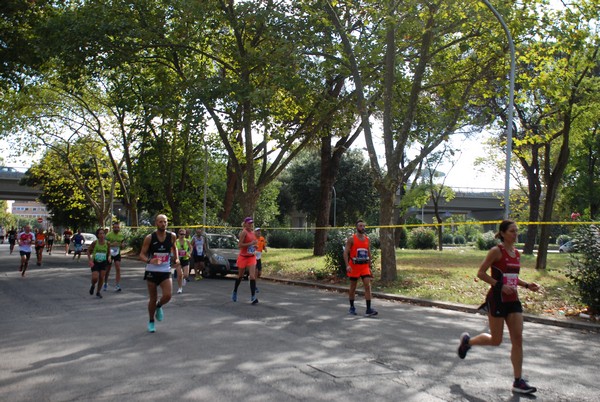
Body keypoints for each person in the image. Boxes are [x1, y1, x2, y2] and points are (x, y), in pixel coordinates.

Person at [457, 219, 540, 394]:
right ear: (502, 233)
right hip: (497, 299)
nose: (515, 234)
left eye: (517, 231)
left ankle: (518, 381)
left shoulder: (516, 253)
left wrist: (526, 285)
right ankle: (467, 342)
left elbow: (512, 277)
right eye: (512, 231)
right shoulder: (496, 251)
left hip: (513, 300)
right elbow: (480, 273)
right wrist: (500, 286)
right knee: (496, 340)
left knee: (517, 338)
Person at [139, 214, 179, 333]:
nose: (163, 224)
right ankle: (151, 321)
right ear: (156, 223)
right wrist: (150, 260)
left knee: (168, 295)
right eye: (161, 222)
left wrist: (176, 258)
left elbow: (174, 247)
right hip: (152, 271)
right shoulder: (149, 238)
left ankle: (159, 305)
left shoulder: (172, 236)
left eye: (165, 222)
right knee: (153, 297)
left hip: (165, 270)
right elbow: (141, 254)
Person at [343, 219, 378, 316]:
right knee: (353, 287)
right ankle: (352, 307)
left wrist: (370, 266)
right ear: (357, 227)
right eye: (360, 226)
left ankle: (368, 309)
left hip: (364, 266)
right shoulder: (351, 239)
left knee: (368, 285)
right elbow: (345, 252)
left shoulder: (367, 239)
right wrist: (347, 265)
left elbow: (369, 252)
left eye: (363, 226)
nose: (362, 228)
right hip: (354, 266)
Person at [232, 217, 259, 304]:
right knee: (240, 276)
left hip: (251, 256)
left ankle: (253, 297)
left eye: (251, 223)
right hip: (243, 257)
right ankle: (235, 291)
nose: (250, 224)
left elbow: (252, 244)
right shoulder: (244, 232)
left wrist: (255, 246)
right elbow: (239, 245)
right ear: (245, 223)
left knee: (252, 276)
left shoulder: (252, 233)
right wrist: (250, 244)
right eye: (249, 223)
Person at [87, 228, 111, 299]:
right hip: (95, 262)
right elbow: (88, 251)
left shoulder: (107, 243)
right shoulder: (95, 243)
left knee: (101, 277)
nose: (102, 235)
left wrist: (109, 257)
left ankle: (98, 292)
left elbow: (109, 252)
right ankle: (93, 285)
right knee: (95, 278)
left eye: (103, 233)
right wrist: (90, 260)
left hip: (104, 262)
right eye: (100, 233)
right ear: (97, 235)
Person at [105, 222, 126, 292]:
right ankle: (105, 282)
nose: (116, 229)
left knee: (118, 268)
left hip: (117, 253)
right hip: (109, 253)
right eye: (115, 227)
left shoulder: (121, 235)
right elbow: (105, 245)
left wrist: (122, 245)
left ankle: (117, 285)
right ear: (113, 228)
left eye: (118, 227)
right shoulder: (108, 235)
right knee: (108, 269)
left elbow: (123, 244)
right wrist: (111, 244)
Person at [174, 229, 192, 294]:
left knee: (186, 274)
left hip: (185, 258)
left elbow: (191, 248)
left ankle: (184, 279)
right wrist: (177, 252)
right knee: (179, 274)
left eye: (184, 234)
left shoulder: (187, 241)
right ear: (178, 234)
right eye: (181, 234)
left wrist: (189, 253)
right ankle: (180, 288)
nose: (183, 235)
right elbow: (172, 249)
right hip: (178, 259)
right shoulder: (176, 241)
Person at [254, 227, 267, 293]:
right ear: (255, 232)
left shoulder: (262, 238)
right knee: (256, 272)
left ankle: (251, 278)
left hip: (259, 257)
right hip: (253, 257)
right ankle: (254, 286)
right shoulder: (253, 239)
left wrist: (265, 249)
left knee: (259, 273)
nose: (259, 232)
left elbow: (264, 245)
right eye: (257, 231)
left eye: (259, 231)